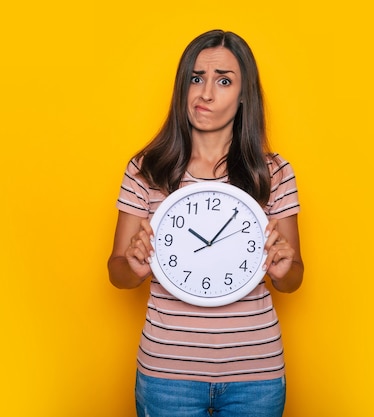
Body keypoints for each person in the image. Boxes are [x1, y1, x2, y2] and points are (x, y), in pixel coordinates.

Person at [108, 29, 303, 417]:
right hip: (167, 371)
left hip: (256, 373)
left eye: (224, 80)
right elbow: (116, 271)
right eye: (196, 78)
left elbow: (295, 276)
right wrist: (133, 266)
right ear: (183, 87)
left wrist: (283, 270)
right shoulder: (146, 170)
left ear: (244, 95)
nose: (206, 94)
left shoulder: (274, 173)